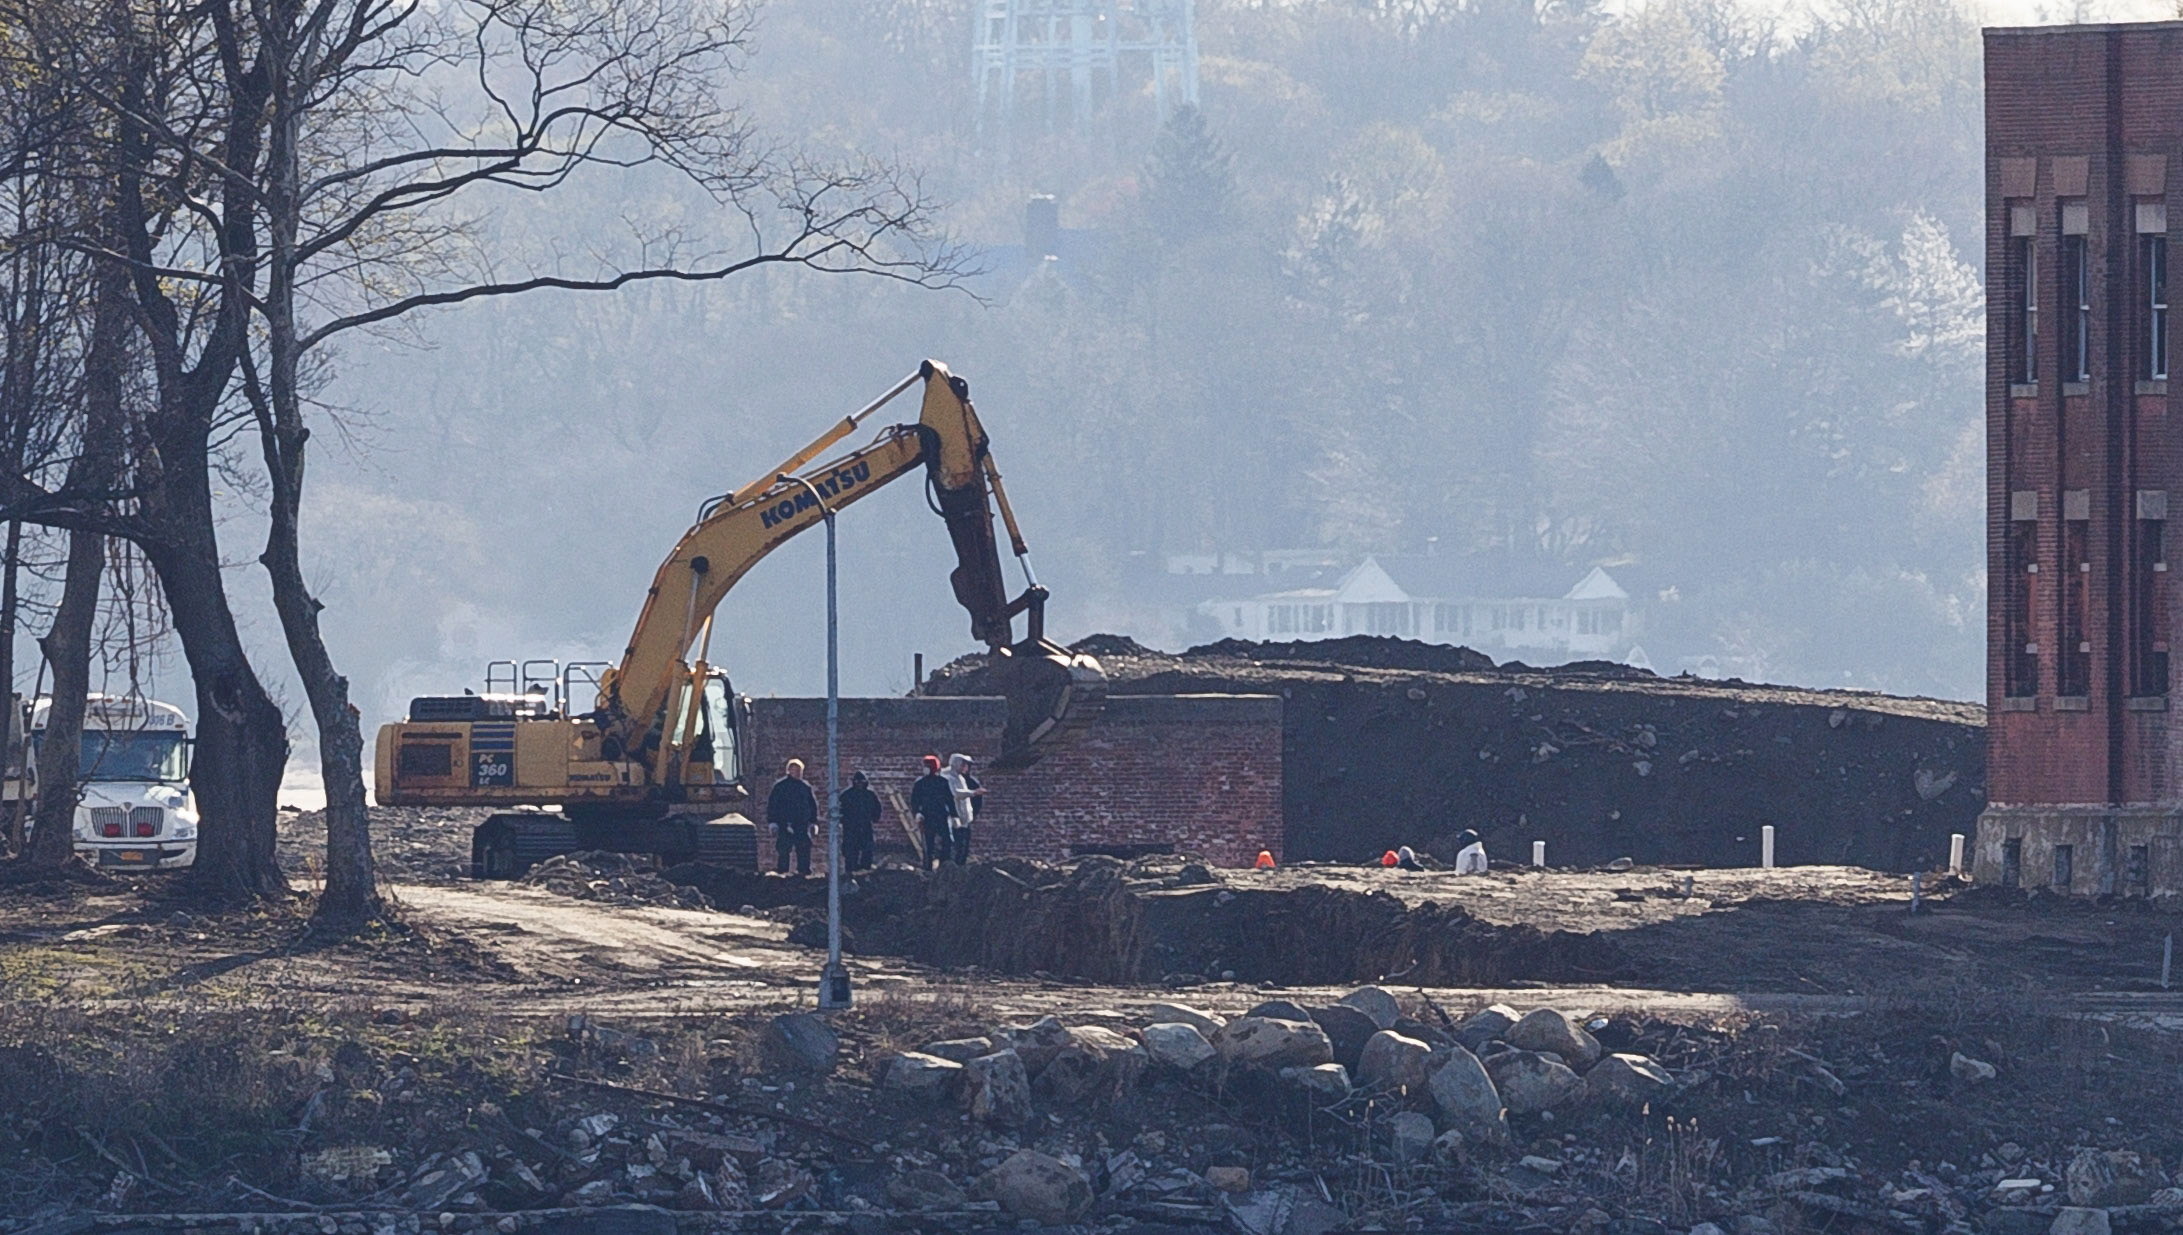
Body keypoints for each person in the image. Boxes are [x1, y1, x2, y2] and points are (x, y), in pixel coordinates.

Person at [766, 757, 818, 876]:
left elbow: (812, 805)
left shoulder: (805, 787)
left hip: (802, 824)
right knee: (783, 850)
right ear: (789, 770)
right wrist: (773, 822)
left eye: (800, 770)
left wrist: (813, 822)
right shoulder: (780, 787)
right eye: (795, 770)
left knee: (804, 849)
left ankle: (804, 873)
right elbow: (773, 805)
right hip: (784, 823)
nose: (798, 772)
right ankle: (782, 874)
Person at [909, 754, 955, 871]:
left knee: (946, 842)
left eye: (927, 766)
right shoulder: (920, 784)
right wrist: (917, 813)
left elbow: (949, 800)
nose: (925, 768)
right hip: (927, 817)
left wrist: (954, 815)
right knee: (928, 844)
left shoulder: (943, 782)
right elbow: (914, 800)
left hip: (940, 815)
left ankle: (944, 866)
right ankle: (927, 867)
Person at [944, 752, 983, 866]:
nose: (966, 767)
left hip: (964, 818)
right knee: (955, 844)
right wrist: (973, 793)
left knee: (964, 845)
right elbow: (955, 793)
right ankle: (952, 867)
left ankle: (960, 865)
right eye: (963, 764)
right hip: (954, 817)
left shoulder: (960, 778)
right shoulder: (947, 777)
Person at [838, 770, 881, 872]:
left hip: (865, 826)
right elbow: (839, 810)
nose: (859, 784)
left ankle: (865, 870)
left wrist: (874, 818)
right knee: (851, 851)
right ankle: (851, 871)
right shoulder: (847, 795)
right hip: (850, 828)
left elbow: (877, 808)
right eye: (857, 782)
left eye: (861, 782)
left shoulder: (870, 795)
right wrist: (844, 821)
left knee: (867, 849)